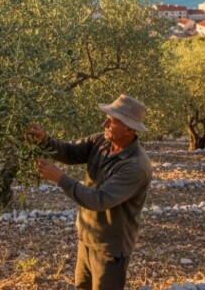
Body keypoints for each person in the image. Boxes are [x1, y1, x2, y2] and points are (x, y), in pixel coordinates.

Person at [28, 94, 152, 290]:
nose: (104, 124)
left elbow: (99, 200)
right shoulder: (101, 141)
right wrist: (45, 141)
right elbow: (69, 152)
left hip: (110, 249)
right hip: (87, 238)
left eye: (111, 121)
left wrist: (60, 178)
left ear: (129, 128)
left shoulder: (136, 166)